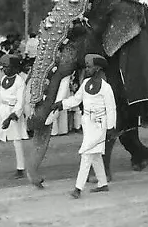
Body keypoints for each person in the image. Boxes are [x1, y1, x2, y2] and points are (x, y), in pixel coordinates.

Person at [51, 54, 116, 199]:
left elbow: (111, 109)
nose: (87, 69)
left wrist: (111, 128)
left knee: (86, 154)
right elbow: (76, 99)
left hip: (99, 124)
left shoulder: (106, 88)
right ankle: (103, 183)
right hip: (87, 124)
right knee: (95, 155)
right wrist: (61, 104)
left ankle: (78, 188)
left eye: (89, 66)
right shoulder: (86, 83)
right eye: (86, 66)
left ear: (98, 68)